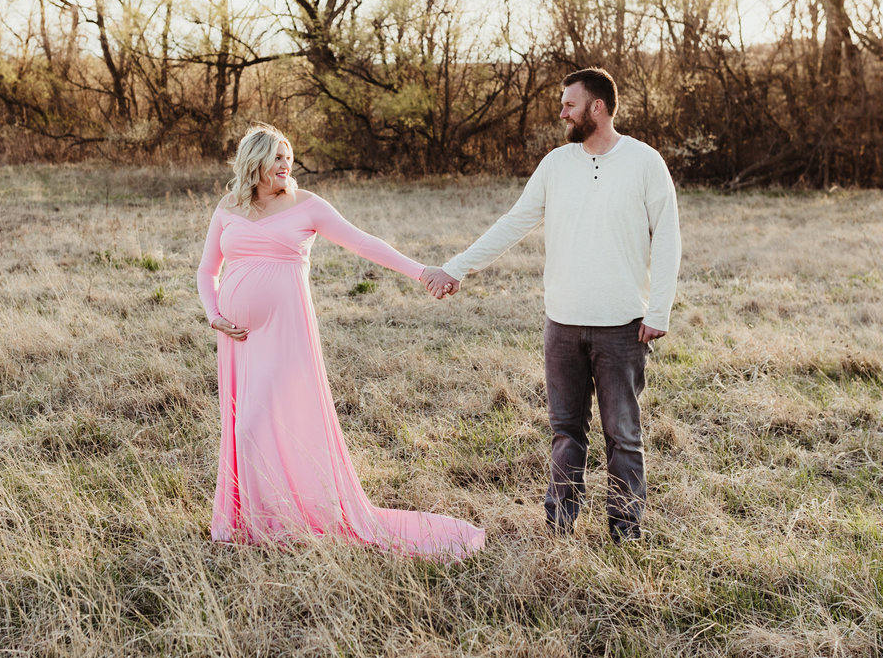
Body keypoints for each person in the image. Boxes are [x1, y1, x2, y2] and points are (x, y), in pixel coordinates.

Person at [196, 123, 484, 560]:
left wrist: (422, 271)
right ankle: (250, 521)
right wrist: (214, 314)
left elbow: (365, 243)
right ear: (253, 161)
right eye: (276, 156)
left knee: (256, 424)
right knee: (243, 426)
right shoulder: (228, 206)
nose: (285, 164)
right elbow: (205, 271)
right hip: (236, 339)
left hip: (284, 333)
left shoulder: (306, 205)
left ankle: (275, 522)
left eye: (288, 156)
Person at [423, 68, 680, 542]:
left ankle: (626, 533)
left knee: (623, 434)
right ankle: (559, 528)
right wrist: (456, 267)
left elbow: (667, 239)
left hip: (623, 325)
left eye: (569, 104)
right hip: (561, 324)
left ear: (596, 107)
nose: (562, 112)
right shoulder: (556, 165)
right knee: (566, 432)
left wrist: (658, 311)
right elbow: (512, 224)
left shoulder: (645, 162)